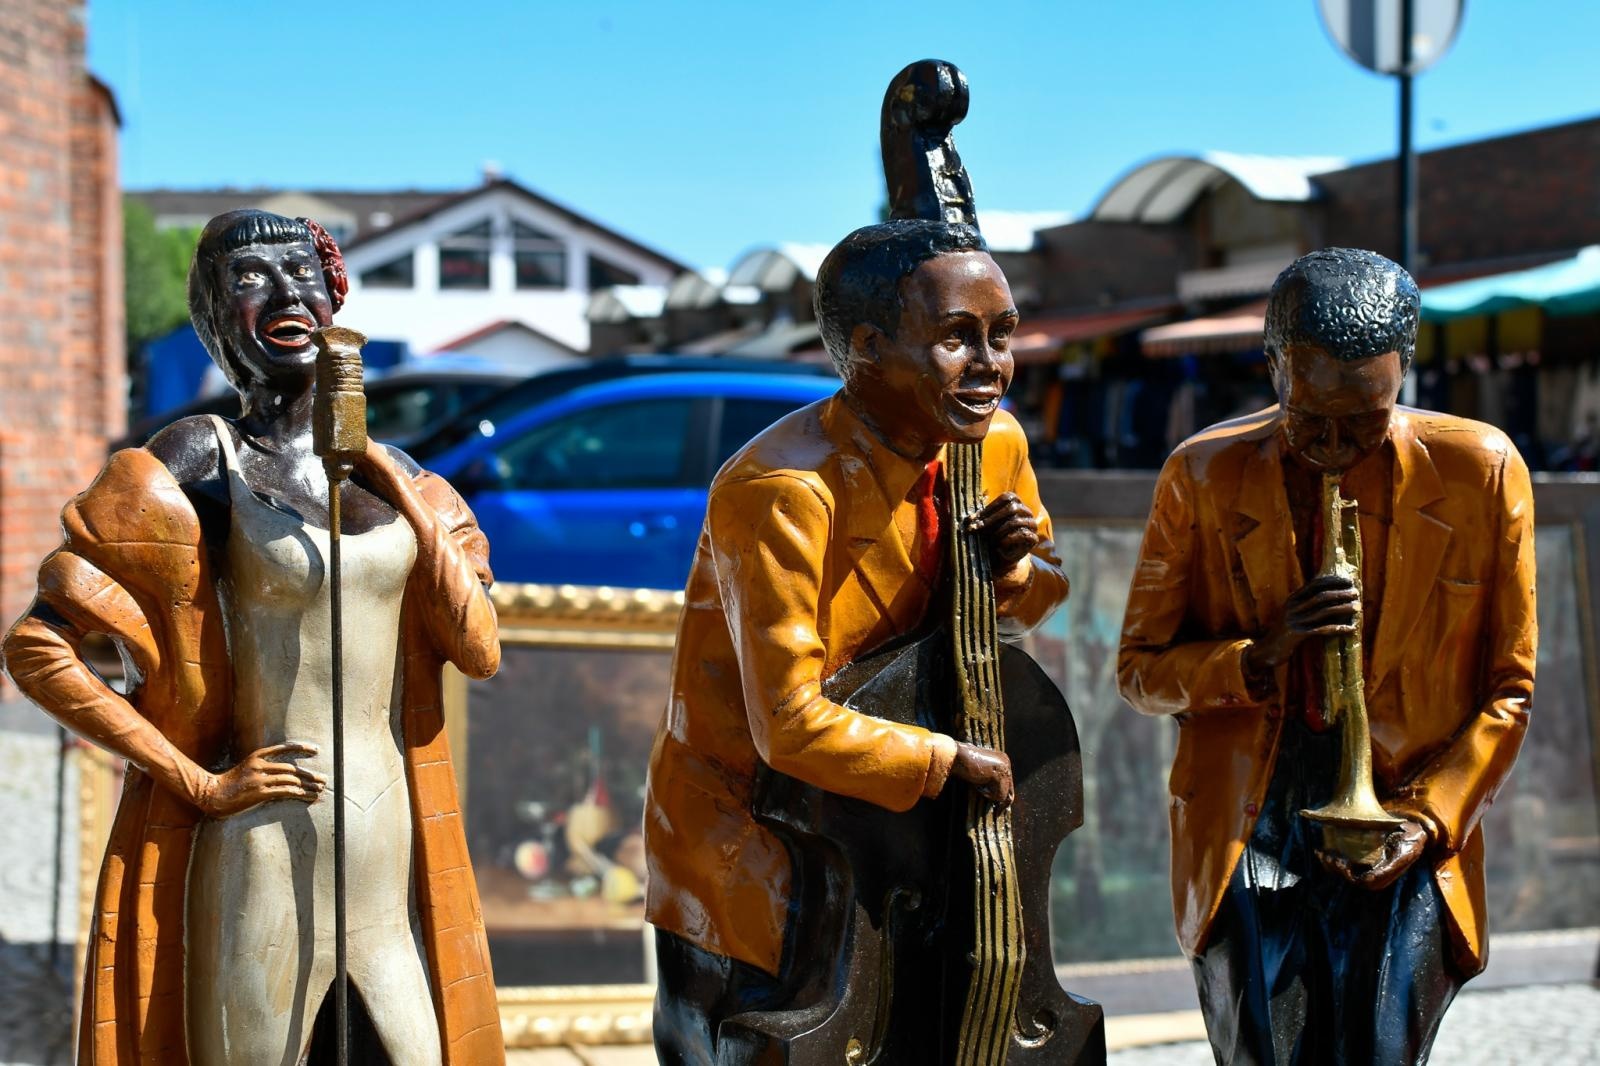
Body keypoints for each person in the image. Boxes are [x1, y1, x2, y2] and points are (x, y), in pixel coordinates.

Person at [3, 210, 505, 1065]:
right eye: (248, 280)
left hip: (394, 859)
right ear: (214, 318)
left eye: (300, 273)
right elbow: (39, 647)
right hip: (261, 847)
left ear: (334, 298)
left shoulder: (409, 480)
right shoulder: (203, 457)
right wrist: (196, 783)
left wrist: (395, 484)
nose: (284, 294)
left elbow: (479, 649)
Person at [642, 218, 1071, 1062]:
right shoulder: (782, 490)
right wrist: (946, 764)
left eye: (1002, 336)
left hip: (907, 845)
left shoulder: (993, 443)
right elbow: (790, 724)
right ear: (868, 347)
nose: (990, 366)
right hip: (763, 846)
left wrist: (1015, 570)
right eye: (956, 338)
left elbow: (1038, 595)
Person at [1117, 248, 1536, 1065]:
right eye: (1312, 422)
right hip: (1254, 814)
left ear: (1404, 375)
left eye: (1365, 421)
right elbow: (1139, 669)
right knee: (1263, 1052)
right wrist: (1258, 656)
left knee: (1381, 1048)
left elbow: (1509, 691)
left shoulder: (1482, 472)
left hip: (1412, 810)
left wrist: (1425, 819)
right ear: (1274, 368)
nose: (1337, 448)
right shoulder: (1201, 475)